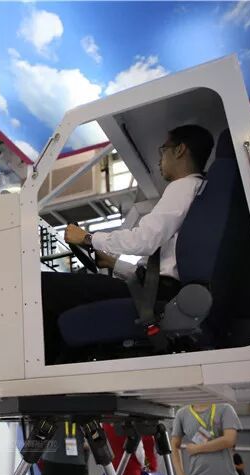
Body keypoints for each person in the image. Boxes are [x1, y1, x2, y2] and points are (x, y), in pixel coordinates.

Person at [43, 125, 214, 363]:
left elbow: (144, 240)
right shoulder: (198, 190)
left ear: (180, 150)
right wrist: (114, 264)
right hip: (158, 290)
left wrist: (88, 238)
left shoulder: (183, 186)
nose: (160, 160)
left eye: (163, 150)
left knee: (43, 286)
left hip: (155, 295)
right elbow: (166, 267)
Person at [171, 403, 242, 475]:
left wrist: (197, 448)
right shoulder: (182, 414)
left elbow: (229, 440)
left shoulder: (225, 408)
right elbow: (174, 445)